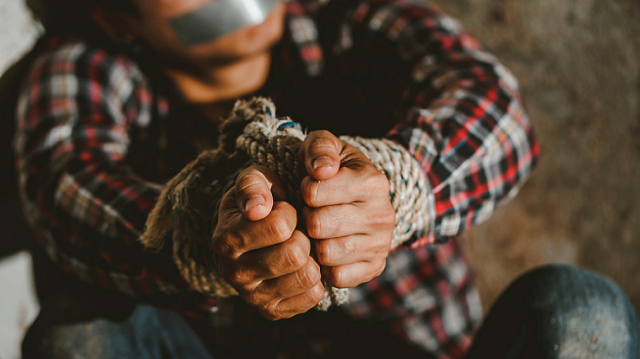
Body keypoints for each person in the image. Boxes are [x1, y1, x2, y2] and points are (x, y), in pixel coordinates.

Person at [10, 0, 638, 357]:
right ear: (116, 17)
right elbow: (65, 186)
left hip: (405, 350)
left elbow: (492, 107)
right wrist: (206, 237)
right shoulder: (84, 68)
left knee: (585, 312)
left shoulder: (353, 21)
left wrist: (396, 185)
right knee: (80, 337)